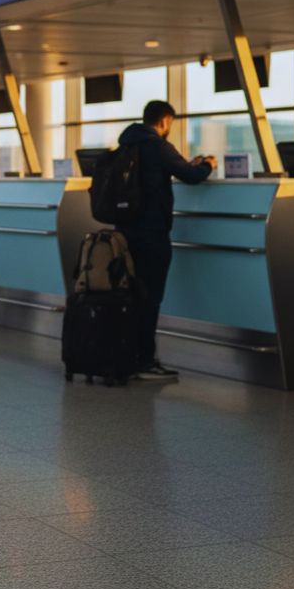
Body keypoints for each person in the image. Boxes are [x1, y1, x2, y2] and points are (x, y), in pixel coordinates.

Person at [116, 100, 217, 381]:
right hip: (151, 233)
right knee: (149, 297)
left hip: (124, 232)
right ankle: (145, 361)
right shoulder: (156, 145)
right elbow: (191, 176)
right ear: (164, 121)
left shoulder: (126, 143)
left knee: (131, 295)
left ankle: (127, 355)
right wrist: (207, 164)